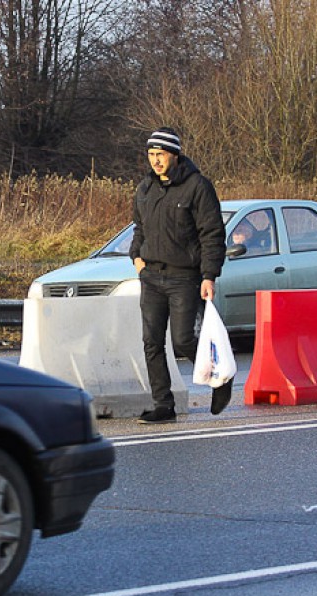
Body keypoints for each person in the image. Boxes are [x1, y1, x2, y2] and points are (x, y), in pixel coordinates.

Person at [130, 127, 233, 424]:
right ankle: (163, 404)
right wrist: (137, 258)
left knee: (183, 339)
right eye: (151, 155)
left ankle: (220, 379)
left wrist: (209, 275)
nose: (155, 161)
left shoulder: (197, 186)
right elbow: (139, 228)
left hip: (184, 278)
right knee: (151, 342)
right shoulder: (145, 188)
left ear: (174, 155)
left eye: (160, 154)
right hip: (151, 276)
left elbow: (212, 234)